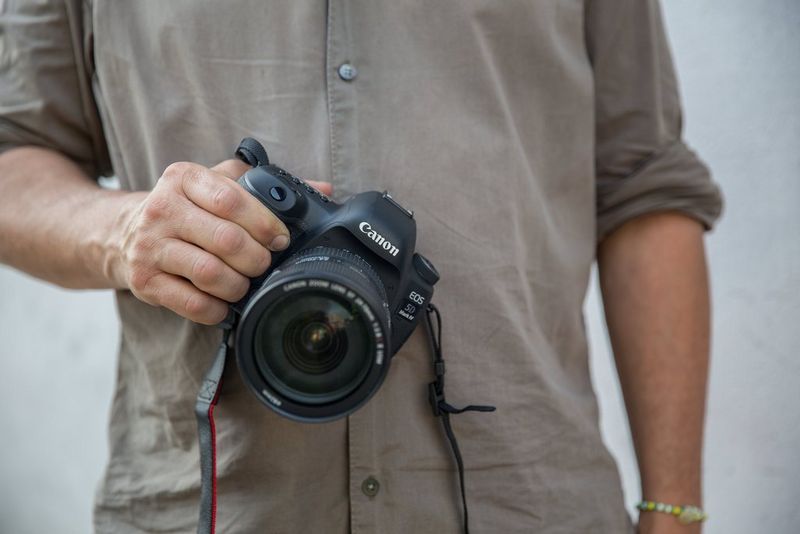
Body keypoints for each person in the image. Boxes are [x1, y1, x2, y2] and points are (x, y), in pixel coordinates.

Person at [0, 1, 722, 533]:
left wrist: (675, 512)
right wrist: (124, 230)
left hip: (527, 500)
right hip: (212, 502)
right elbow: (13, 154)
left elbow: (644, 191)